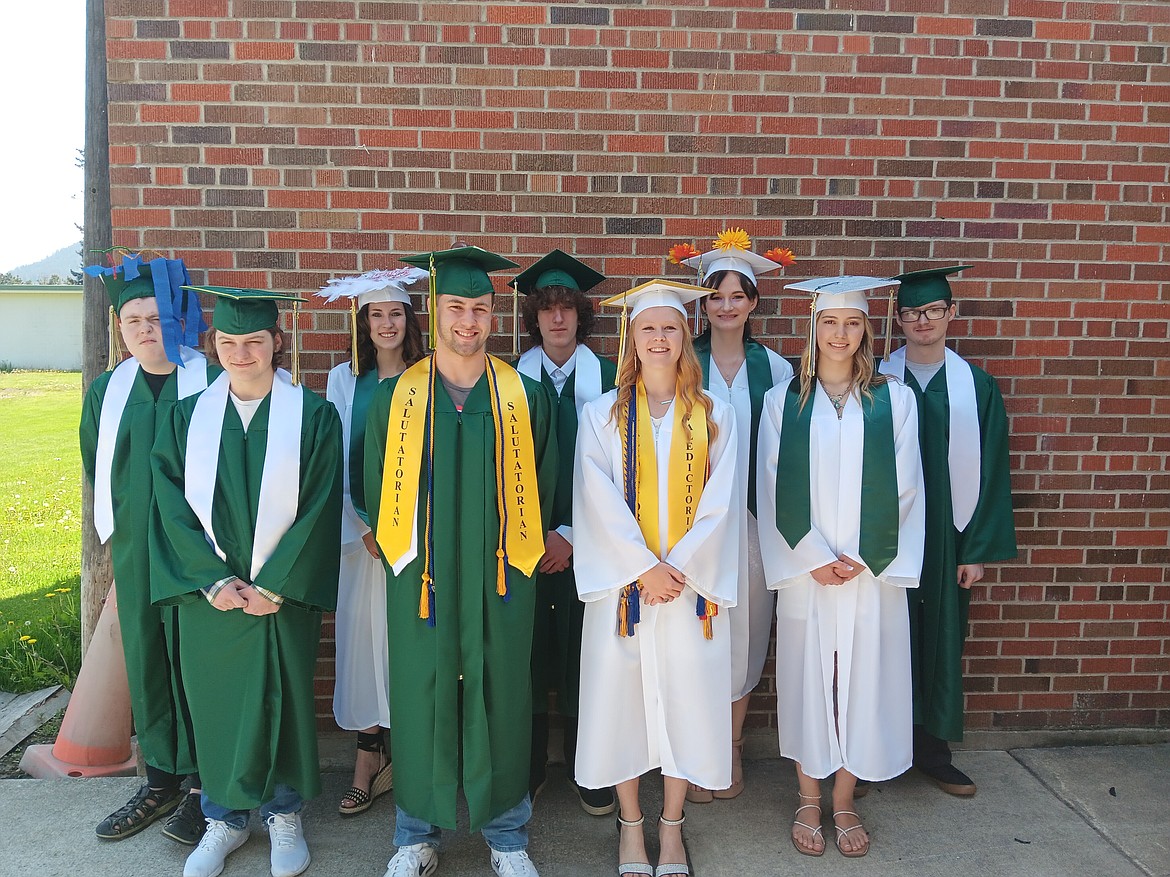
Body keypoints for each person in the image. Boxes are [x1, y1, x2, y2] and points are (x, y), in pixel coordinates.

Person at [365, 246, 558, 877]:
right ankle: (414, 833)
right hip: (421, 577)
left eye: (479, 308)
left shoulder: (524, 397)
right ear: (435, 309)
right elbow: (374, 486)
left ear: (493, 313)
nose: (467, 322)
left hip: (503, 573)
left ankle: (507, 836)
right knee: (422, 692)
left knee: (502, 691)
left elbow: (547, 482)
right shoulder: (397, 398)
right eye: (455, 307)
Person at [150, 286, 343, 877]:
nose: (240, 353)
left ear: (276, 343)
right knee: (216, 703)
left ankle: (285, 816)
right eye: (228, 342)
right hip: (212, 598)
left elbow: (320, 503)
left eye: (253, 342)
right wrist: (212, 581)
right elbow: (167, 503)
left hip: (281, 595)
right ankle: (225, 819)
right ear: (215, 345)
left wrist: (276, 585)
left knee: (281, 698)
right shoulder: (186, 417)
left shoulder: (312, 415)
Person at [572, 280, 741, 877]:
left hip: (690, 593)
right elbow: (595, 498)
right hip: (627, 591)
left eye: (671, 327)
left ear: (684, 338)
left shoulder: (716, 415)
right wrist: (644, 567)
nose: (661, 338)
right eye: (649, 328)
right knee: (620, 706)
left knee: (686, 707)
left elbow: (722, 505)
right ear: (632, 339)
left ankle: (671, 828)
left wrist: (680, 569)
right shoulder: (602, 415)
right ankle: (631, 827)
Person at [757, 276, 925, 858]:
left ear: (866, 330)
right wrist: (811, 558)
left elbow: (907, 484)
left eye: (851, 323)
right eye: (829, 322)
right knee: (809, 678)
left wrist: (861, 554)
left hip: (868, 571)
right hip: (810, 572)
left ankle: (846, 796)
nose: (840, 334)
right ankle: (808, 795)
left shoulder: (894, 399)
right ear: (813, 327)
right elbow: (772, 482)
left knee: (864, 681)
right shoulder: (784, 401)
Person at [80, 252, 213, 845]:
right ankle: (160, 778)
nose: (144, 329)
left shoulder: (210, 381)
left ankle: (209, 787)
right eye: (132, 320)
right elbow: (96, 462)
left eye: (156, 317)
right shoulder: (108, 391)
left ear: (178, 317)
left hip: (200, 554)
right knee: (150, 662)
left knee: (201, 662)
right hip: (138, 553)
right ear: (120, 327)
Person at [879, 265, 1016, 797]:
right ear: (898, 319)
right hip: (888, 536)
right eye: (911, 312)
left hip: (947, 540)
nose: (922, 321)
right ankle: (877, 752)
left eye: (932, 310)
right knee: (886, 640)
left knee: (939, 641)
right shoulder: (881, 381)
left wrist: (975, 548)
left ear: (950, 314)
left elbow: (994, 470)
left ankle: (933, 752)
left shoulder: (976, 387)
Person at [677, 230, 795, 803]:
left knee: (745, 635)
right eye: (715, 294)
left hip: (752, 523)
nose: (726, 306)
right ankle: (696, 750)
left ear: (752, 303)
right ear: (702, 302)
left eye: (737, 295)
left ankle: (730, 747)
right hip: (690, 526)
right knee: (696, 634)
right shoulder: (682, 360)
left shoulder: (774, 368)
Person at [316, 267, 429, 817]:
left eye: (396, 312)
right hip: (361, 541)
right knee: (363, 646)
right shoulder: (344, 380)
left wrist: (409, 529)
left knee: (410, 643)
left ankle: (408, 758)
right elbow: (334, 461)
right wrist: (363, 526)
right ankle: (366, 756)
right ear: (363, 323)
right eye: (376, 314)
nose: (386, 323)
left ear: (410, 320)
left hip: (417, 542)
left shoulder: (428, 378)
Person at [510, 249, 617, 816]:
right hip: (525, 548)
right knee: (526, 653)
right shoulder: (508, 382)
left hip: (591, 545)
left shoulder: (608, 379)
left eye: (567, 309)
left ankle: (586, 767)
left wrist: (573, 533)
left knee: (585, 652)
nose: (558, 319)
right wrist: (536, 536)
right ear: (535, 318)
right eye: (547, 309)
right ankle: (527, 767)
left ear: (581, 316)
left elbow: (621, 469)